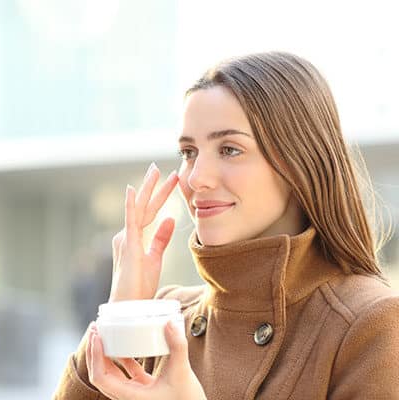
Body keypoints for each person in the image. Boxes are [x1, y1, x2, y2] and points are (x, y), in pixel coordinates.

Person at [53, 52, 399, 399]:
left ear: (299, 162)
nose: (196, 178)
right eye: (189, 152)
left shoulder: (370, 324)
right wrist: (120, 317)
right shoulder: (165, 320)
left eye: (230, 149)